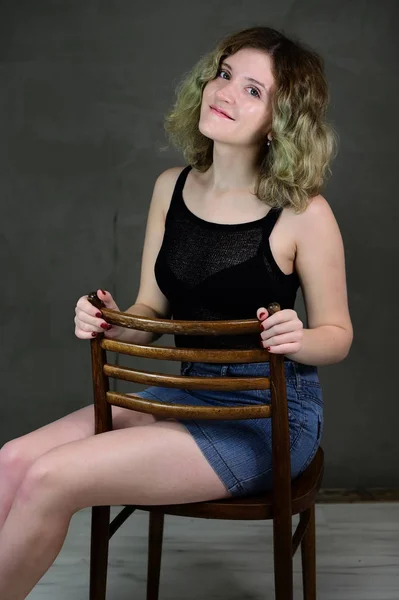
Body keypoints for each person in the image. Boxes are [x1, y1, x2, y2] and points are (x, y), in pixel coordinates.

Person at [0, 26, 353, 598]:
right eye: (224, 74)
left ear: (281, 121)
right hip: (187, 392)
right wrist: (112, 318)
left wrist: (298, 336)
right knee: (13, 460)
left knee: (49, 477)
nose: (227, 92)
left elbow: (337, 336)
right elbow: (152, 308)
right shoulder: (171, 187)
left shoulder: (304, 214)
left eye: (254, 91)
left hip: (267, 417)